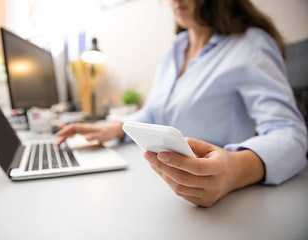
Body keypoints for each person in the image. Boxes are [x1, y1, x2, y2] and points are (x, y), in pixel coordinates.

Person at [56, 0, 308, 207]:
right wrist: (115, 128)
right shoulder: (175, 49)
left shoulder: (250, 44)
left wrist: (234, 170)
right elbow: (156, 111)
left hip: (230, 202)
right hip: (163, 185)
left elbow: (290, 134)